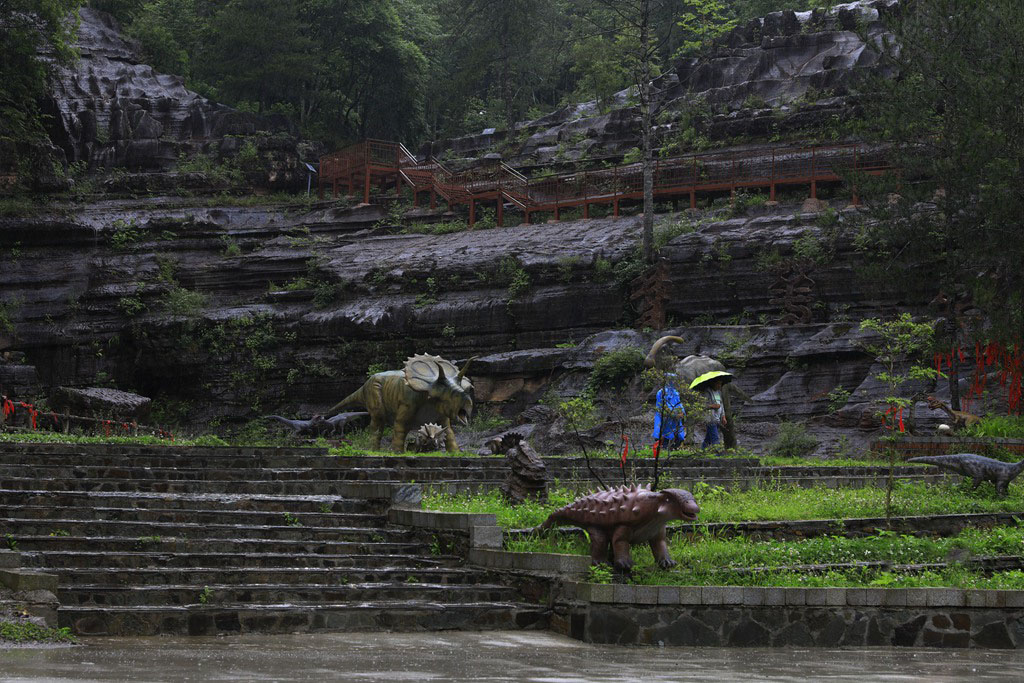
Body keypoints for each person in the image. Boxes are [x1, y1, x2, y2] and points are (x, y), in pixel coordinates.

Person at [651, 375, 685, 452]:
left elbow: (679, 404)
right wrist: (674, 414)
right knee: (665, 437)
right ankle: (664, 453)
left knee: (677, 437)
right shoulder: (661, 392)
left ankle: (672, 452)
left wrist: (682, 413)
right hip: (665, 419)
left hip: (675, 420)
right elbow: (662, 407)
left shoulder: (675, 393)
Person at [701, 377, 727, 449]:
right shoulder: (707, 392)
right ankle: (718, 455)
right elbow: (703, 405)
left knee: (708, 439)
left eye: (720, 384)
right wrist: (713, 406)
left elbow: (721, 405)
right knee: (715, 439)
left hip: (717, 419)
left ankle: (702, 451)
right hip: (710, 419)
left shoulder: (718, 392)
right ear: (713, 383)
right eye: (718, 384)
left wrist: (723, 416)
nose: (719, 386)